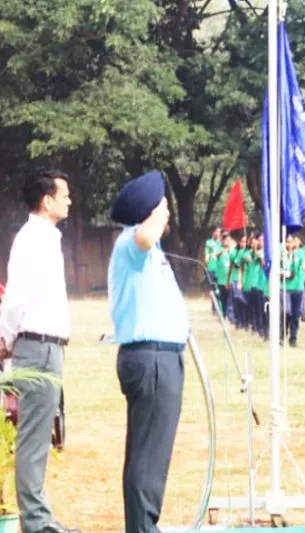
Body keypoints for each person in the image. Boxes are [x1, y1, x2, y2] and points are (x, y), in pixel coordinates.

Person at [0, 169, 76, 533]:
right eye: (64, 194)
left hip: (47, 346)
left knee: (40, 437)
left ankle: (41, 518)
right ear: (47, 200)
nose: (69, 200)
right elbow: (15, 299)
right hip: (36, 346)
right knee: (34, 438)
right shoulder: (32, 239)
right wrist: (7, 340)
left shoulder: (46, 238)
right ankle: (36, 522)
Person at [106, 170, 189, 533]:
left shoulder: (148, 250)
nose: (168, 214)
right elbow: (144, 236)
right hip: (152, 359)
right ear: (150, 210)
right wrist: (157, 212)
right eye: (164, 207)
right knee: (148, 457)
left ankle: (141, 526)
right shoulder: (133, 242)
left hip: (158, 358)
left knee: (150, 454)